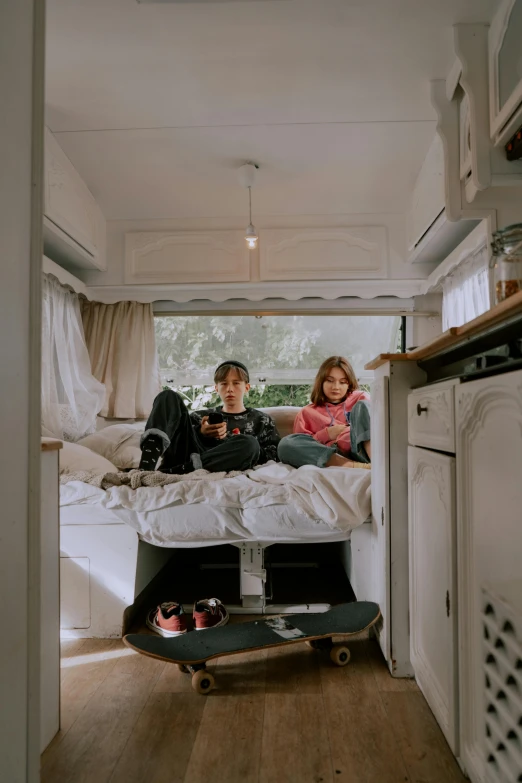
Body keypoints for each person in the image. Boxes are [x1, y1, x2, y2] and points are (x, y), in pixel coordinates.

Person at [139, 360, 280, 473]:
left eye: (236, 383)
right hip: (187, 455)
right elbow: (179, 440)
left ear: (247, 387)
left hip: (223, 461)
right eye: (224, 384)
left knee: (250, 444)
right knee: (168, 396)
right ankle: (145, 470)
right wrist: (201, 433)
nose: (230, 389)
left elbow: (275, 455)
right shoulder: (199, 416)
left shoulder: (262, 420)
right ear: (216, 388)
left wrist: (233, 443)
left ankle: (179, 471)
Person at [278, 356, 371, 470]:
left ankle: (377, 463)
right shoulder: (306, 412)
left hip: (359, 450)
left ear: (349, 384)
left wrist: (344, 432)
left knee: (364, 406)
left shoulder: (360, 398)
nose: (336, 387)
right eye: (330, 380)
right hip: (328, 457)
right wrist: (327, 434)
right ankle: (352, 465)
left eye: (342, 382)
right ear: (321, 381)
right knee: (286, 444)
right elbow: (304, 445)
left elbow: (373, 426)